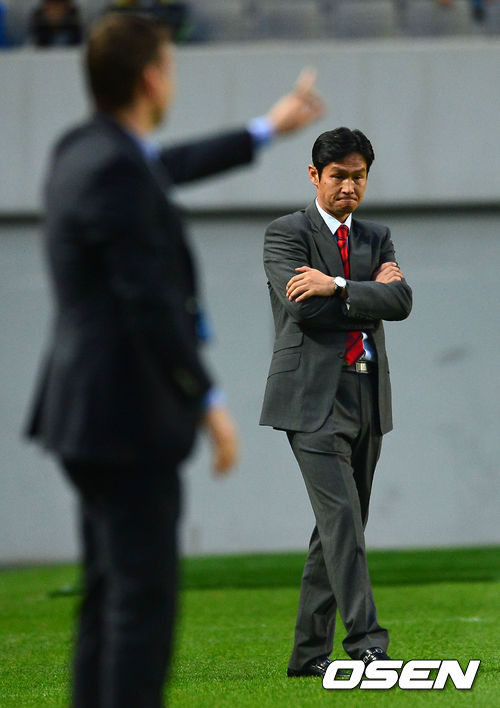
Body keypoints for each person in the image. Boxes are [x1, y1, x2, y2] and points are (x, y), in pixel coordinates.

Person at [24, 12, 324, 707]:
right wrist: (206, 400)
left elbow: (166, 168)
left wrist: (266, 128)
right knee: (142, 605)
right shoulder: (117, 170)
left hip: (84, 415)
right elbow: (148, 303)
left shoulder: (83, 150)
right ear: (152, 79)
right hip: (125, 417)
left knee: (108, 596)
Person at [260, 127, 412, 678]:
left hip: (367, 394)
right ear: (314, 176)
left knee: (342, 527)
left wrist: (339, 286)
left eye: (359, 176)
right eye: (338, 176)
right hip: (311, 400)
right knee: (343, 523)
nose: (349, 186)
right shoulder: (286, 234)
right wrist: (368, 293)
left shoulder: (377, 236)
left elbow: (402, 301)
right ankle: (367, 643)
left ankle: (307, 655)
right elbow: (305, 309)